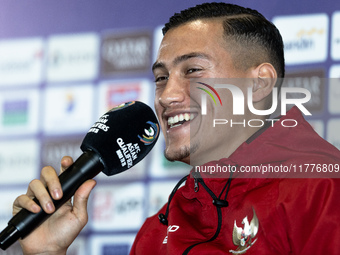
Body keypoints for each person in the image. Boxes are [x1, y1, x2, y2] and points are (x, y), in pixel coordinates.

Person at [12, 2, 340, 255]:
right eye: (161, 78)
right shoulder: (158, 228)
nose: (167, 96)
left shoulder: (323, 190)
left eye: (193, 70)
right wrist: (48, 251)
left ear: (258, 84)